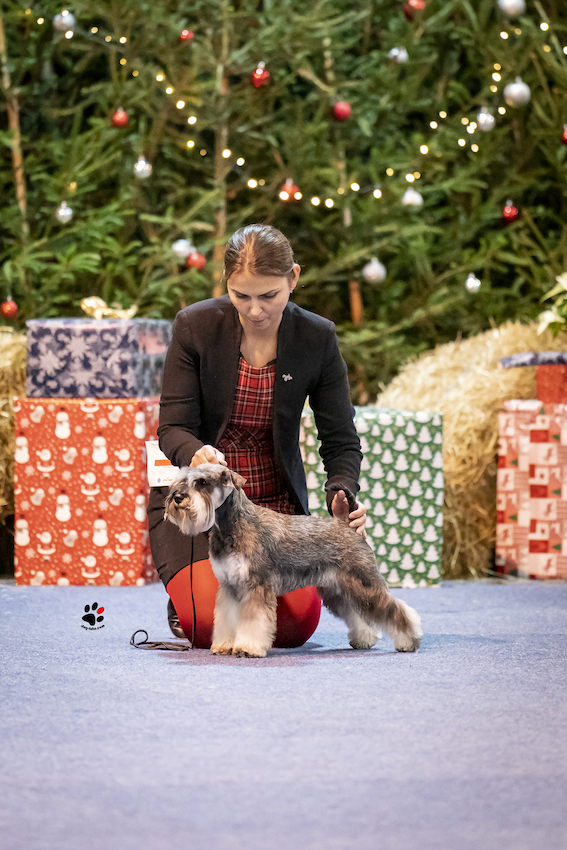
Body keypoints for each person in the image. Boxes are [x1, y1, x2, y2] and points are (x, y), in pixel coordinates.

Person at [147, 223, 366, 648]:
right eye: (240, 295)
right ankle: (186, 593)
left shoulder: (317, 337)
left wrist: (342, 491)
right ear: (225, 282)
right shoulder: (194, 326)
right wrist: (196, 453)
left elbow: (340, 439)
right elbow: (172, 428)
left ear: (293, 278)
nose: (254, 310)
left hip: (275, 511)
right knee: (206, 626)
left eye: (269, 295)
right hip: (201, 503)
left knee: (295, 627)